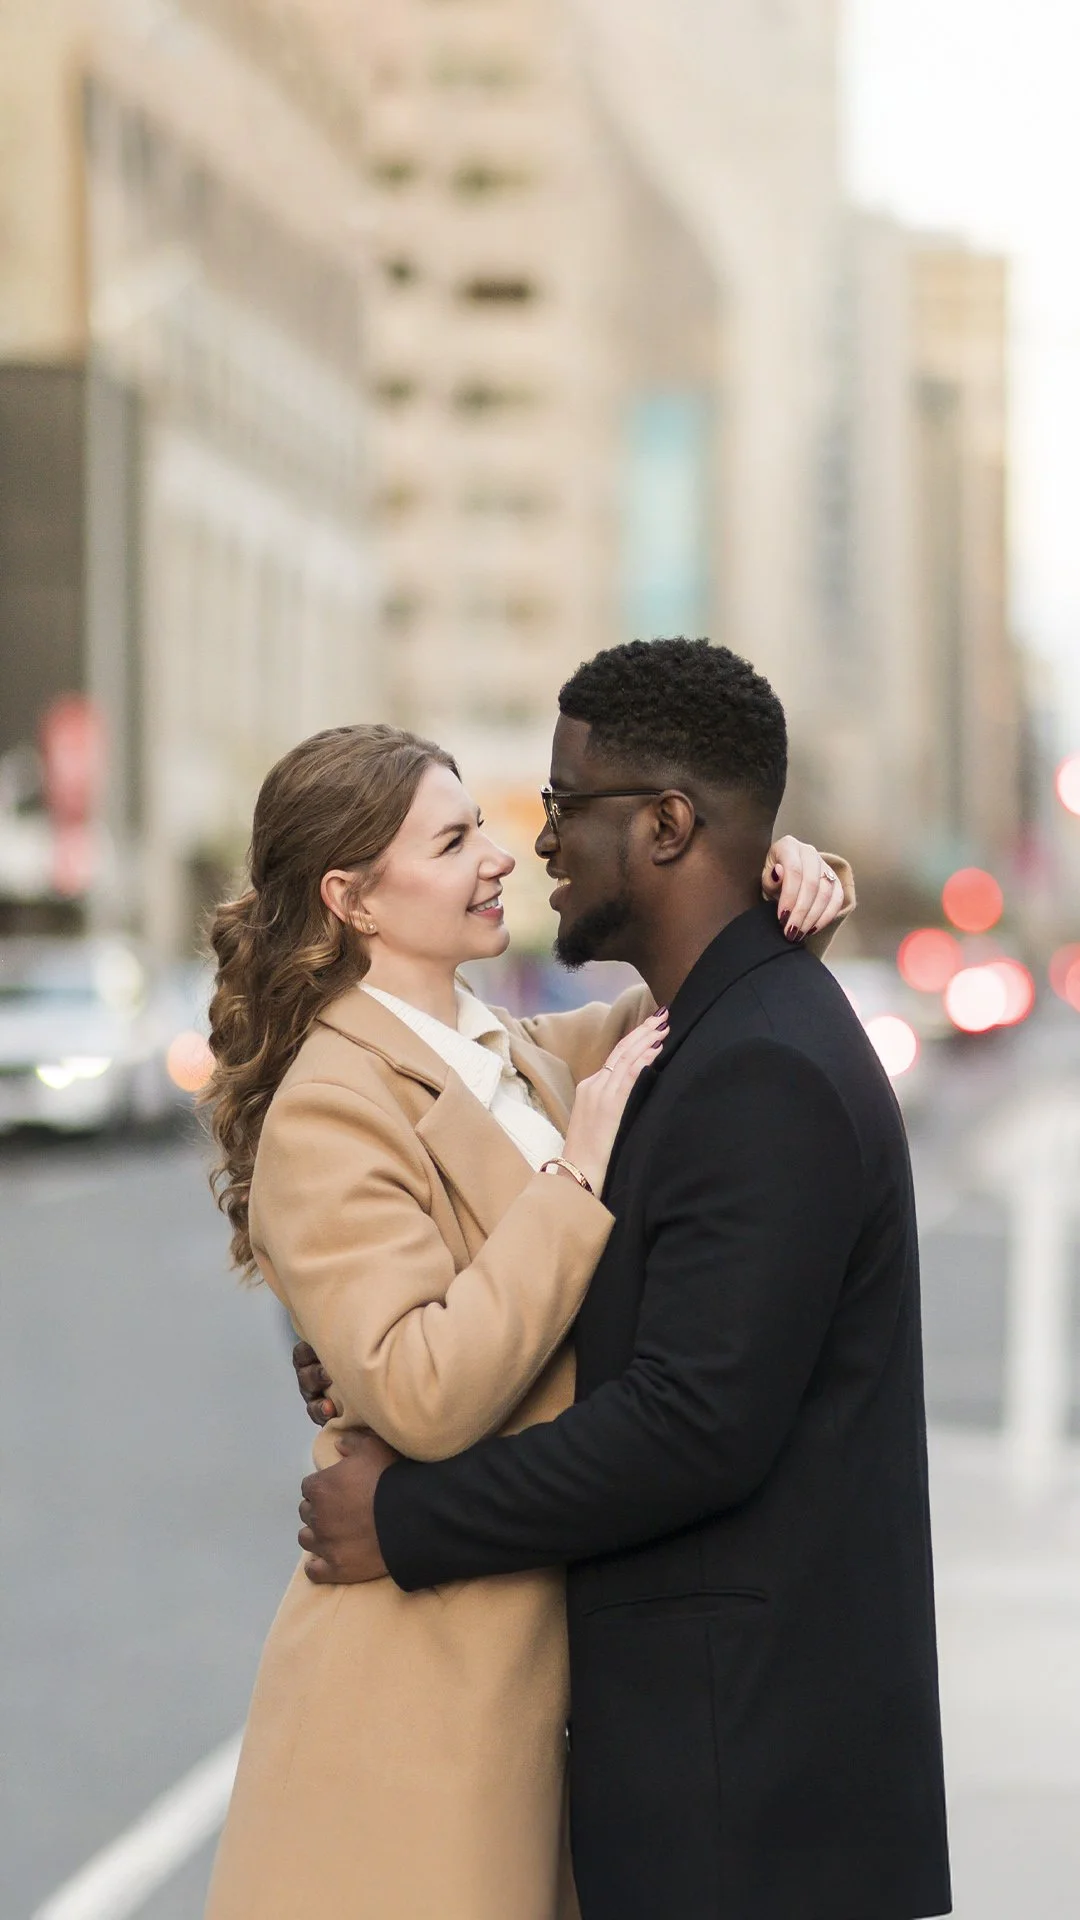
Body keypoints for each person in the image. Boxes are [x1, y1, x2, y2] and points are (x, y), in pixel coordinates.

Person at [295, 639, 952, 1920]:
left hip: (749, 1809)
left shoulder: (755, 1068)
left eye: (563, 805)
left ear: (663, 826)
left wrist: (405, 1520)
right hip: (726, 1795)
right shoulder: (694, 1042)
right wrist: (378, 1339)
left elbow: (693, 1422)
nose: (536, 844)